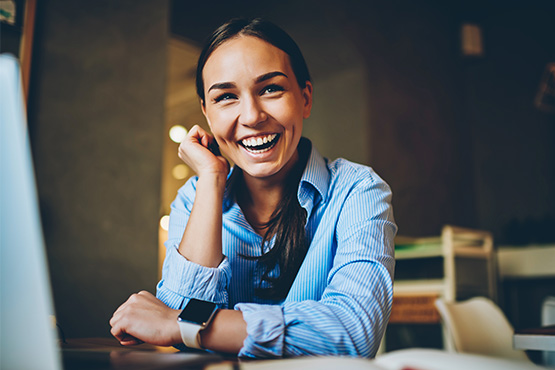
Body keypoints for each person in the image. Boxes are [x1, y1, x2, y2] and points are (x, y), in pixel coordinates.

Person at [110, 17, 396, 358]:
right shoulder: (194, 198)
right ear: (206, 112)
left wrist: (191, 326)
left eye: (270, 89)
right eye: (226, 97)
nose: (251, 116)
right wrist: (212, 179)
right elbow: (177, 321)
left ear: (304, 98)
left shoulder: (358, 191)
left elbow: (353, 331)